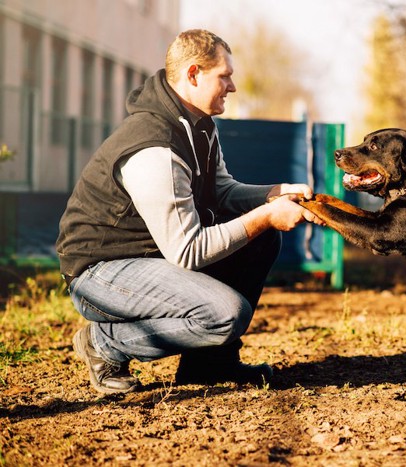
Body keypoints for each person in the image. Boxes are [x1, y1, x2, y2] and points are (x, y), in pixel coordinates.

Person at [56, 29, 322, 394]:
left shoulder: (199, 126)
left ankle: (210, 365)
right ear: (194, 74)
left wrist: (276, 194)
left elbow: (223, 190)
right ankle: (104, 342)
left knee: (262, 240)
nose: (232, 86)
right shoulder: (156, 146)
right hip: (101, 272)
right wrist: (265, 215)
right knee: (225, 315)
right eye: (224, 76)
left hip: (149, 257)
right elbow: (188, 250)